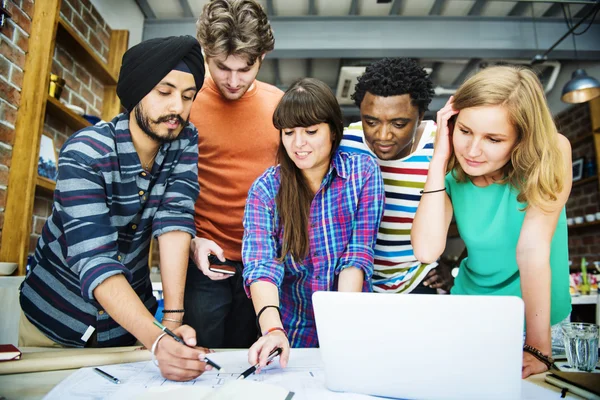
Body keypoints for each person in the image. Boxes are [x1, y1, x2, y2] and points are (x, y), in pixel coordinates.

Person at [19, 36, 211, 381]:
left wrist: (170, 323)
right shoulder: (86, 152)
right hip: (55, 324)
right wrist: (158, 341)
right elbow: (94, 259)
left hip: (129, 331)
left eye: (188, 96)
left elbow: (175, 221)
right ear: (137, 90)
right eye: (164, 92)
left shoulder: (184, 139)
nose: (178, 108)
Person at [411, 65, 572, 379]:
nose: (472, 151)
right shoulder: (452, 169)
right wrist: (439, 158)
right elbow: (426, 250)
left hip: (539, 323)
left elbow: (532, 250)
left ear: (520, 139)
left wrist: (538, 347)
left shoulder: (552, 151)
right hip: (469, 315)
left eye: (493, 139)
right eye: (465, 131)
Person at [242, 78, 385, 368]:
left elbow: (357, 255)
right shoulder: (265, 189)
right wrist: (272, 329)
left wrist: (341, 327)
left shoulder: (362, 173)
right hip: (291, 330)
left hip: (350, 321)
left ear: (333, 131)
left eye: (311, 131)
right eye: (289, 132)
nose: (298, 143)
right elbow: (261, 265)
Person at [183, 0, 284, 349]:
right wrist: (191, 241)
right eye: (222, 67)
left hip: (264, 261)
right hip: (203, 260)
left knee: (254, 361)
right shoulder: (186, 103)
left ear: (262, 57)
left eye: (246, 68)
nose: (234, 80)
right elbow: (165, 188)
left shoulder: (279, 106)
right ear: (205, 53)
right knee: (203, 359)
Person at [339, 58, 454, 294]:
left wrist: (453, 264)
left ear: (421, 115)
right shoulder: (344, 144)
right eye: (370, 121)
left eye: (399, 123)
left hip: (416, 280)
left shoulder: (441, 144)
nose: (383, 135)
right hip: (354, 282)